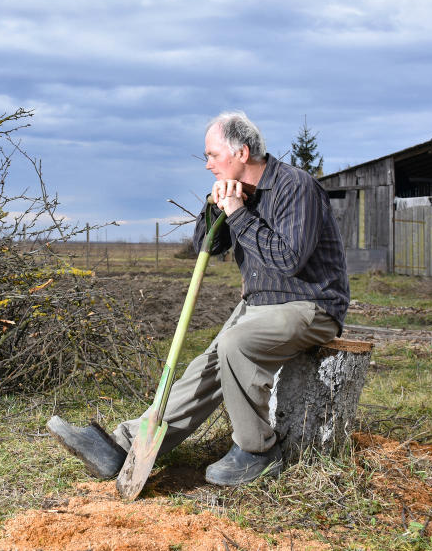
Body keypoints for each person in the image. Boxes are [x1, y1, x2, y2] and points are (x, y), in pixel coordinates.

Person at [47, 110, 349, 486]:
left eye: (212, 155)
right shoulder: (239, 193)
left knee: (235, 344)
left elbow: (288, 259)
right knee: (205, 367)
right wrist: (214, 208)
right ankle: (122, 447)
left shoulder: (295, 187)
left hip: (310, 304)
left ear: (242, 152)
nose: (207, 165)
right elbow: (207, 244)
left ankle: (257, 451)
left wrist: (238, 212)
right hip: (257, 305)